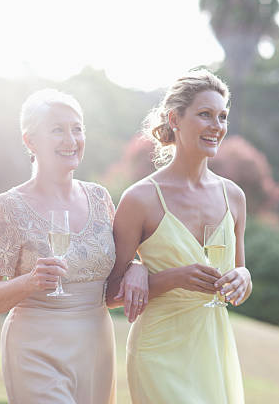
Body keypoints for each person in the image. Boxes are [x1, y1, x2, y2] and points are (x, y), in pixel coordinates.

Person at [0, 88, 146, 404]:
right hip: (36, 349)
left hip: (96, 347)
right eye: (57, 130)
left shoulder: (100, 198)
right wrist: (30, 282)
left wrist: (137, 269)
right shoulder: (7, 208)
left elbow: (113, 279)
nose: (71, 139)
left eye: (77, 128)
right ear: (30, 141)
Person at [106, 69, 251, 403]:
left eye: (223, 116)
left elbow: (238, 280)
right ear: (175, 118)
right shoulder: (140, 199)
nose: (217, 126)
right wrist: (168, 278)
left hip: (214, 350)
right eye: (205, 114)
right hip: (158, 352)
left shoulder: (235, 197)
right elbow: (111, 294)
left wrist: (244, 277)